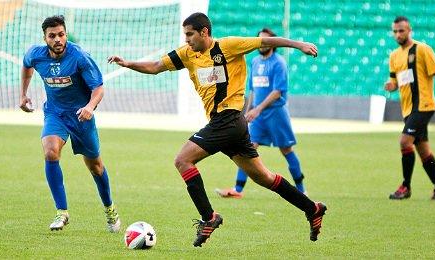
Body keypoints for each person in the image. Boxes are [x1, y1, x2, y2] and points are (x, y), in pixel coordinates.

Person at [108, 13, 326, 247]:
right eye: (185, 35)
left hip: (229, 118)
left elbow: (266, 42)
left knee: (183, 160)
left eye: (190, 34)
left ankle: (209, 217)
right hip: (230, 124)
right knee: (264, 177)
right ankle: (312, 208)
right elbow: (156, 66)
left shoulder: (228, 46)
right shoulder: (187, 54)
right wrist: (129, 63)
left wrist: (299, 45)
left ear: (204, 32)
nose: (187, 39)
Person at [20, 15, 121, 232]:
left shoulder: (80, 57)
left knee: (95, 166)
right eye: (52, 36)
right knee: (50, 152)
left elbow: (98, 88)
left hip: (81, 116)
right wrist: (23, 94)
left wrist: (89, 107)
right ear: (45, 38)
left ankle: (110, 209)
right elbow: (26, 65)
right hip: (56, 114)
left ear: (66, 35)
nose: (57, 39)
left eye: (61, 34)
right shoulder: (35, 55)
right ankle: (61, 213)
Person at [215, 28, 307, 199]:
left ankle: (302, 190)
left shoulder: (279, 62)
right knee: (247, 148)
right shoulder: (255, 61)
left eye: (265, 40)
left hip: (276, 113)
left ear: (272, 43)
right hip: (258, 116)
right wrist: (248, 110)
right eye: (259, 39)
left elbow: (278, 91)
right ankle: (238, 190)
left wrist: (258, 109)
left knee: (286, 149)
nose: (262, 43)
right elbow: (253, 90)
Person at [384, 16, 435, 200]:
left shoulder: (422, 49)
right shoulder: (394, 56)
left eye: (402, 30)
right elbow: (395, 80)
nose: (398, 34)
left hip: (423, 105)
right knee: (423, 150)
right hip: (408, 109)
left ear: (409, 30)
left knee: (405, 142)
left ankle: (405, 187)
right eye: (395, 31)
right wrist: (392, 85)